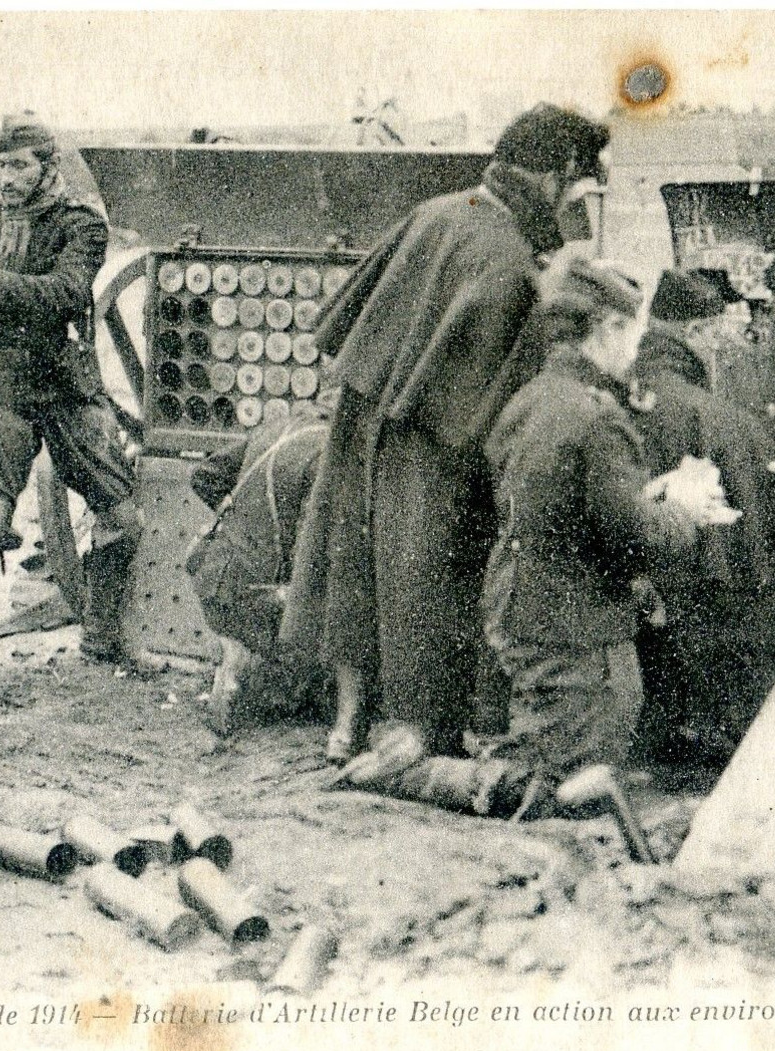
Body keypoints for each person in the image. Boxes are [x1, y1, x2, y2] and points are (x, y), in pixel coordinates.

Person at [281, 103, 612, 762]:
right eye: (578, 190)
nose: (576, 206)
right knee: (421, 577)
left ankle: (344, 726)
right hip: (430, 442)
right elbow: (492, 412)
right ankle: (414, 727)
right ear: (554, 178)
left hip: (360, 422)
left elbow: (344, 326)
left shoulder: (432, 213)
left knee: (351, 567)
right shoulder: (512, 262)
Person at [482, 257, 725, 807]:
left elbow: (554, 502)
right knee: (573, 794)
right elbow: (640, 541)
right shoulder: (598, 417)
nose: (637, 348)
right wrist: (683, 507)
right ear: (610, 326)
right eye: (634, 331)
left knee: (547, 762)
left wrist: (646, 497)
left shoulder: (531, 399)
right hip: (580, 633)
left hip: (523, 608)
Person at [0, 112, 140, 701]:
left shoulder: (82, 224)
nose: (5, 177)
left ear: (48, 167)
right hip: (6, 384)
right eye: (0, 165)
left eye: (18, 165)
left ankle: (102, 641)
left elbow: (69, 291)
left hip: (66, 384)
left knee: (124, 518)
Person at [629, 268, 775, 764]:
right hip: (703, 626)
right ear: (699, 333)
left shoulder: (609, 393)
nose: (733, 346)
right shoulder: (719, 420)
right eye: (728, 332)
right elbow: (758, 556)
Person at [186, 398, 332, 736]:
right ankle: (248, 675)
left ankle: (238, 659)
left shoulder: (273, 431)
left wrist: (242, 520)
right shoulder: (325, 454)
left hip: (213, 577)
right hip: (259, 597)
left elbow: (203, 476)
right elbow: (308, 554)